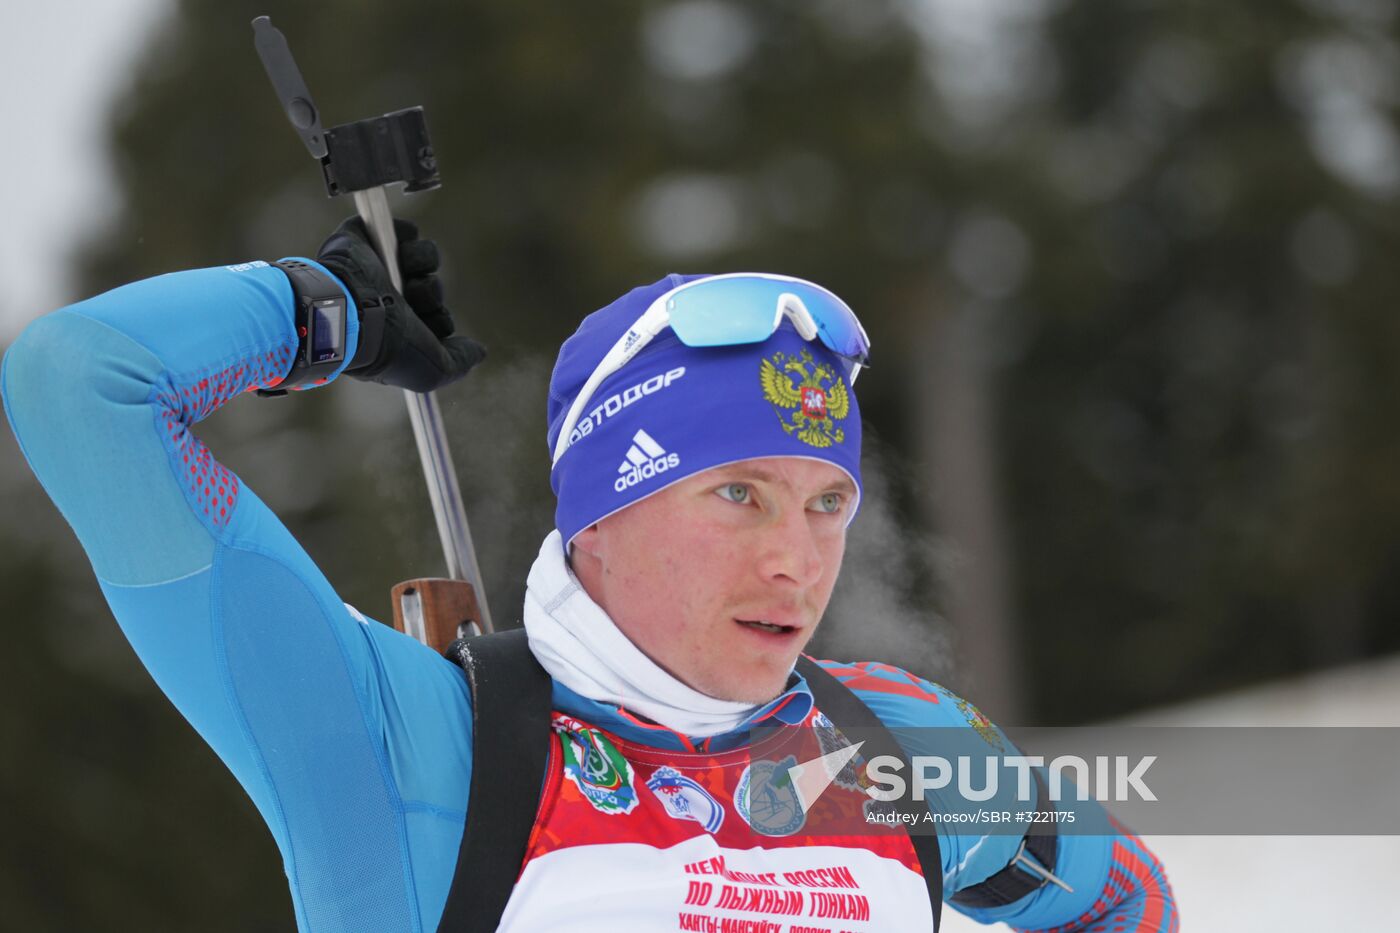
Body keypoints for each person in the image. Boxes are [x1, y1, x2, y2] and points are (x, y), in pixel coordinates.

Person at [2, 218, 1177, 931]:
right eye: (736, 495)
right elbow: (79, 383)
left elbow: (1124, 902)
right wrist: (322, 316)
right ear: (600, 520)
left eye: (827, 504)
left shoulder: (895, 751)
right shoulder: (403, 746)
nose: (795, 558)